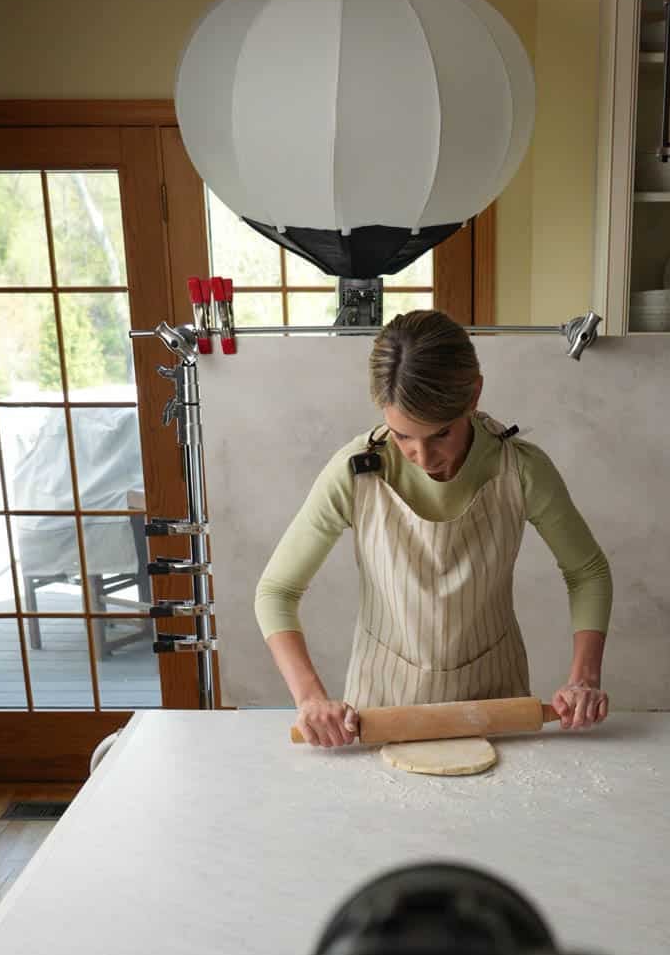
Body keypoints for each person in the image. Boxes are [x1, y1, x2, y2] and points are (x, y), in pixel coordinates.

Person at [255, 309, 612, 746]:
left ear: (474, 393)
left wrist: (583, 678)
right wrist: (310, 698)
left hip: (496, 708)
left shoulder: (521, 471)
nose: (423, 458)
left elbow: (587, 572)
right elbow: (276, 592)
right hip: (379, 713)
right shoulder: (355, 473)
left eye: (440, 434)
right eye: (403, 436)